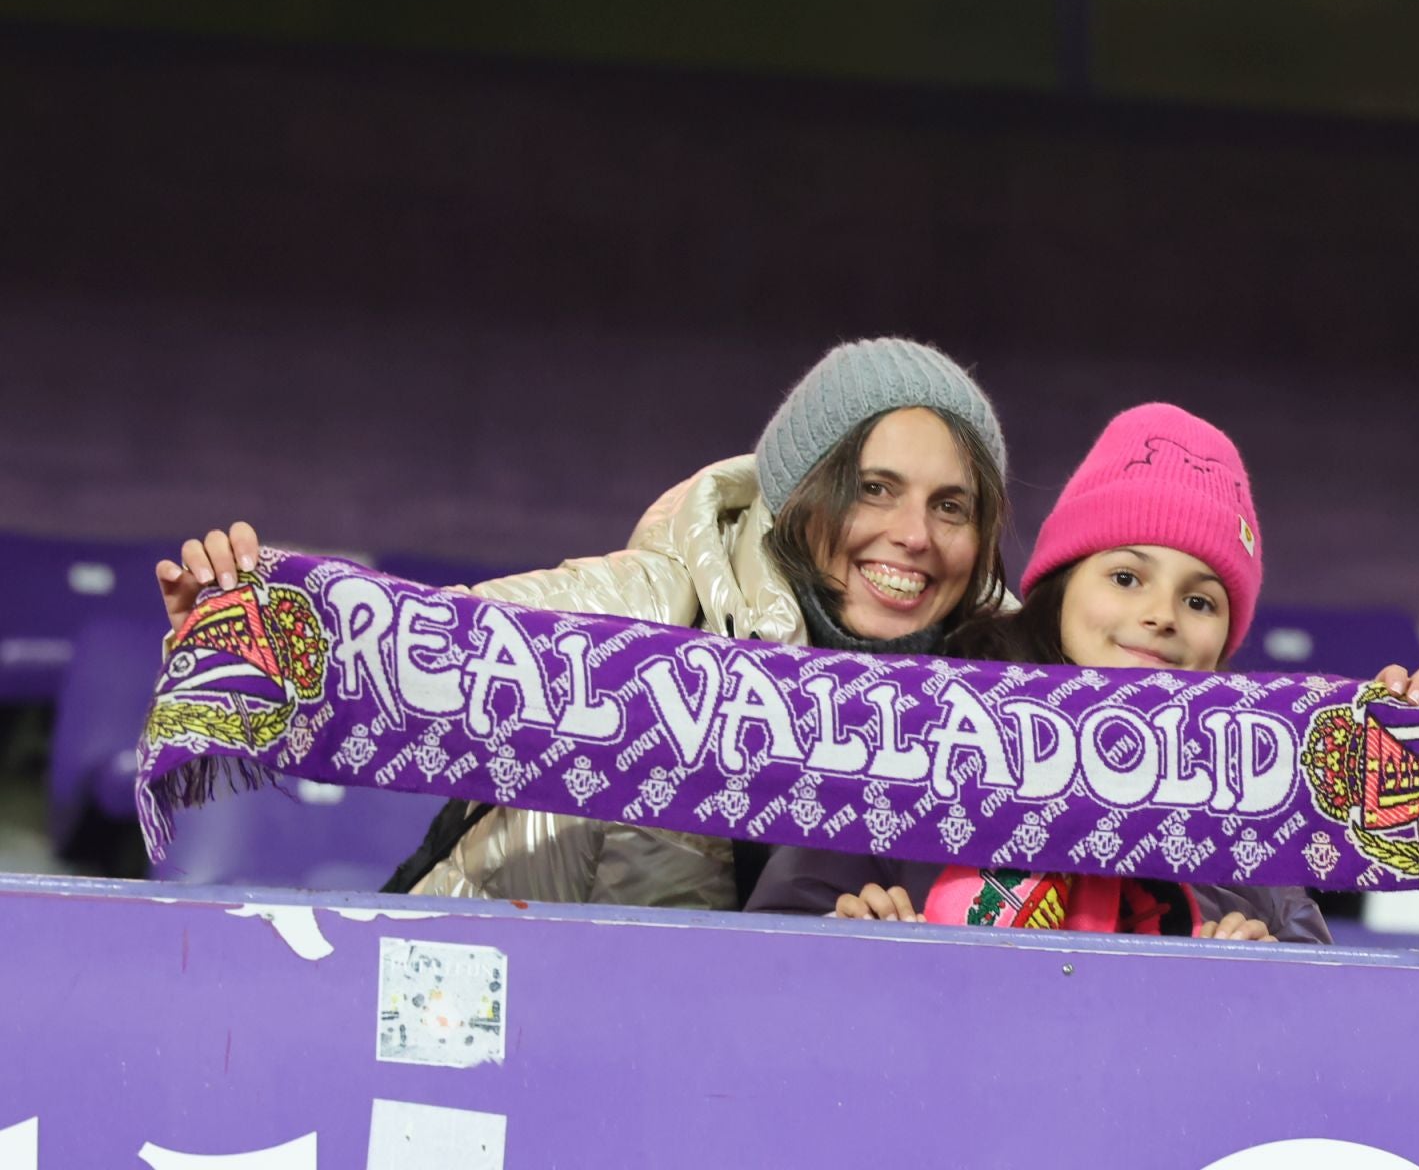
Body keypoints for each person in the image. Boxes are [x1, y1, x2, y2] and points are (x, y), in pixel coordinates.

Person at [155, 337, 1014, 908]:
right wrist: (248, 623)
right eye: (875, 488)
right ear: (798, 496)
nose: (914, 536)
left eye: (952, 507)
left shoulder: (1018, 715)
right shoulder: (649, 605)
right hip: (503, 1051)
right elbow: (432, 643)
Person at [746, 403, 1342, 942]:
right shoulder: (923, 727)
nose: (1161, 616)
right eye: (1126, 578)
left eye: (1200, 601)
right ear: (1061, 590)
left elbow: (1324, 1004)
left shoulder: (1247, 789)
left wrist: (1262, 981)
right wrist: (845, 939)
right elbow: (769, 941)